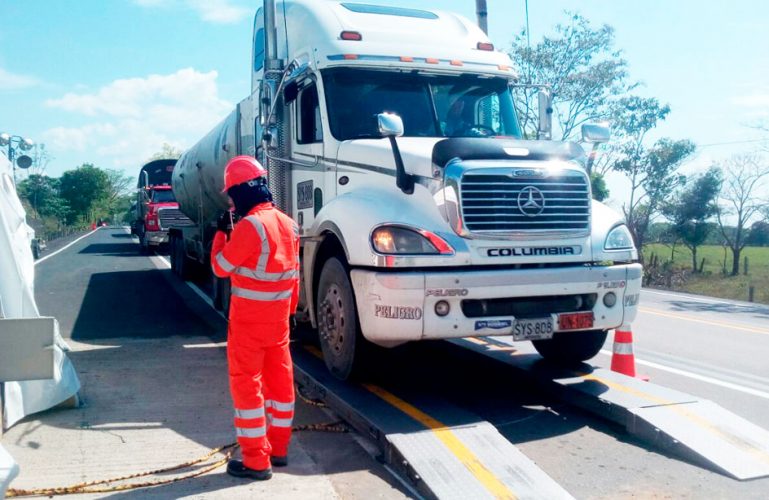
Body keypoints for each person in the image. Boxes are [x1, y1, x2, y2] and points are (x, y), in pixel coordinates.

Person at [211, 155, 300, 481]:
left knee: (247, 388)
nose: (231, 201)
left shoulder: (249, 226)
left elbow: (221, 267)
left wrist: (222, 234)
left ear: (241, 191)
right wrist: (289, 314)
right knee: (280, 385)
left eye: (231, 194)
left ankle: (255, 461)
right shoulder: (289, 224)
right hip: (278, 323)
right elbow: (294, 278)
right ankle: (279, 450)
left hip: (248, 325)